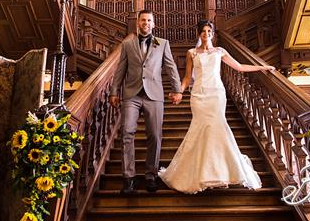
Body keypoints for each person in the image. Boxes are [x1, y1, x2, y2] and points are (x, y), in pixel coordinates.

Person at [158, 20, 274, 194]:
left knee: (218, 128)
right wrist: (179, 92)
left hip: (216, 94)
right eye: (203, 31)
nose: (206, 34)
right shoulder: (191, 53)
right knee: (200, 129)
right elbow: (188, 78)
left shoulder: (220, 51)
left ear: (213, 33)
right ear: (199, 34)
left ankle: (222, 172)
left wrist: (262, 67)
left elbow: (239, 67)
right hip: (198, 95)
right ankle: (201, 173)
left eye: (209, 31)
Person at [108, 10, 183, 194]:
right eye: (143, 20)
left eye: (149, 20)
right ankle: (129, 179)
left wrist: (177, 89)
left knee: (155, 136)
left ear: (153, 24)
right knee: (126, 132)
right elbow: (120, 70)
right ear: (138, 23)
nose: (146, 23)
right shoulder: (127, 44)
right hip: (131, 94)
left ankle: (151, 175)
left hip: (154, 95)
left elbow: (171, 67)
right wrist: (114, 91)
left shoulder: (162, 43)